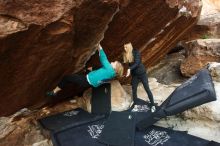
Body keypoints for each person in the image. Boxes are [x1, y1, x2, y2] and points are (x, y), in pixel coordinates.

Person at [47, 44, 124, 98]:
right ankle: (76, 92)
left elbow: (103, 58)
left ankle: (54, 92)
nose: (112, 62)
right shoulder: (112, 74)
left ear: (115, 68)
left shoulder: (109, 69)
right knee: (85, 73)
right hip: (89, 82)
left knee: (66, 77)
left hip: (85, 80)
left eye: (114, 63)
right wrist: (91, 69)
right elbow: (101, 72)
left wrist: (99, 46)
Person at [123, 42, 156, 112]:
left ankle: (153, 105)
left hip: (142, 73)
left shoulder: (136, 52)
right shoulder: (127, 55)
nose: (124, 49)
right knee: (134, 89)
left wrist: (129, 69)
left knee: (147, 88)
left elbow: (137, 63)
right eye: (124, 47)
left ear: (129, 47)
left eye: (126, 47)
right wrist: (128, 72)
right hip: (135, 75)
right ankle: (136, 105)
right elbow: (129, 65)